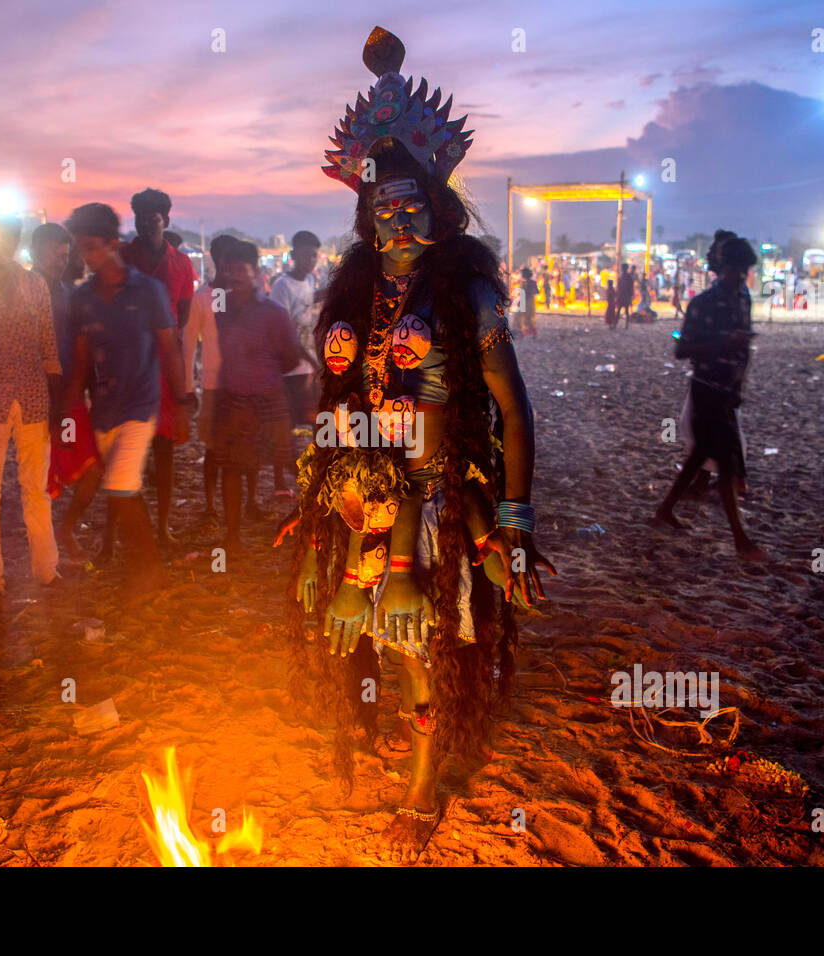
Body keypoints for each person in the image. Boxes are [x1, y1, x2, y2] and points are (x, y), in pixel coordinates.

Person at [280, 27, 554, 861]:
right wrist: (317, 499)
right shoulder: (351, 296)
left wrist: (511, 521)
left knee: (419, 643)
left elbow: (513, 406)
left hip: (431, 495)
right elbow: (334, 406)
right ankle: (373, 737)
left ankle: (425, 782)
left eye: (411, 206)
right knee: (347, 625)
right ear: (365, 218)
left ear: (439, 210)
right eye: (382, 209)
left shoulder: (468, 293)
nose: (396, 220)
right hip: (356, 493)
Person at [63, 203, 190, 599]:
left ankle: (150, 571)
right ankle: (146, 568)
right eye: (82, 250)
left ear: (113, 243)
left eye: (93, 247)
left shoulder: (148, 291)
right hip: (104, 408)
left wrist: (183, 403)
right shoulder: (84, 299)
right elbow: (81, 362)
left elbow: (170, 350)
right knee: (123, 488)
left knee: (120, 485)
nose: (88, 257)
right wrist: (68, 412)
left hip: (141, 404)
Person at [0, 213, 63, 610]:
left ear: (14, 242)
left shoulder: (35, 284)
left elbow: (49, 346)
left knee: (35, 492)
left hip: (33, 398)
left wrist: (54, 402)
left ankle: (47, 571)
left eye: (6, 240)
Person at [652, 230, 765, 560]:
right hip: (706, 390)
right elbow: (681, 349)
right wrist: (722, 342)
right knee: (726, 465)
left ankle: (666, 509)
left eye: (744, 271)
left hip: (728, 390)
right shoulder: (702, 304)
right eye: (734, 270)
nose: (739, 277)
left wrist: (740, 385)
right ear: (719, 269)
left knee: (700, 457)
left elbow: (743, 345)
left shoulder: (743, 297)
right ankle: (741, 540)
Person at [215, 241, 313, 552]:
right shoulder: (220, 309)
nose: (233, 276)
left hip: (269, 399)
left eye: (240, 269)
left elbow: (288, 356)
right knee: (231, 468)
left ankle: (317, 519)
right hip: (232, 401)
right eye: (228, 269)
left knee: (286, 460)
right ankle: (231, 538)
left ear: (256, 273)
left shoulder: (273, 313)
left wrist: (261, 369)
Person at [122, 188, 196, 550]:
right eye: (140, 218)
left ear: (165, 220)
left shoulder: (183, 264)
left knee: (165, 450)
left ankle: (163, 525)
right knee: (128, 450)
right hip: (130, 364)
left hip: (166, 367)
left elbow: (180, 318)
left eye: (153, 218)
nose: (146, 224)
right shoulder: (121, 259)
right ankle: (127, 531)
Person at [33, 223, 102, 559]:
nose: (59, 262)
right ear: (34, 251)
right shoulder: (17, 291)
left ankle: (66, 527)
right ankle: (44, 552)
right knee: (37, 480)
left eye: (64, 256)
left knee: (93, 470)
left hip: (67, 396)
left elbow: (81, 347)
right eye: (52, 254)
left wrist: (78, 390)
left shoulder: (69, 295)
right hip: (30, 398)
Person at [181, 235, 236, 524]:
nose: (229, 264)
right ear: (216, 259)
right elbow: (188, 345)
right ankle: (212, 504)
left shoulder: (244, 294)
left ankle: (246, 501)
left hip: (241, 383)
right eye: (225, 257)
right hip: (214, 386)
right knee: (213, 448)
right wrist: (189, 389)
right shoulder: (202, 297)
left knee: (243, 446)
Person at [269, 230, 322, 439]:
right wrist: (314, 363)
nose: (310, 260)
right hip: (291, 367)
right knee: (290, 423)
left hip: (309, 364)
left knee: (318, 418)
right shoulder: (281, 286)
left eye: (313, 255)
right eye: (305, 255)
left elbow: (308, 300)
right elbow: (284, 332)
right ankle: (284, 467)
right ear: (293, 255)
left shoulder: (309, 280)